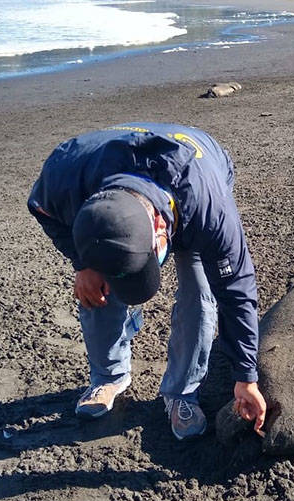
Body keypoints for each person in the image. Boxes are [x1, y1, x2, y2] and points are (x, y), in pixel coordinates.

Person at [27, 123, 267, 441]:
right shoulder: (65, 175)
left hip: (195, 169)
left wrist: (246, 377)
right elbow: (40, 208)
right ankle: (108, 376)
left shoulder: (209, 207)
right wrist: (82, 262)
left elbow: (236, 290)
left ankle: (183, 392)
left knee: (200, 290)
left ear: (159, 229)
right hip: (105, 173)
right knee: (95, 283)